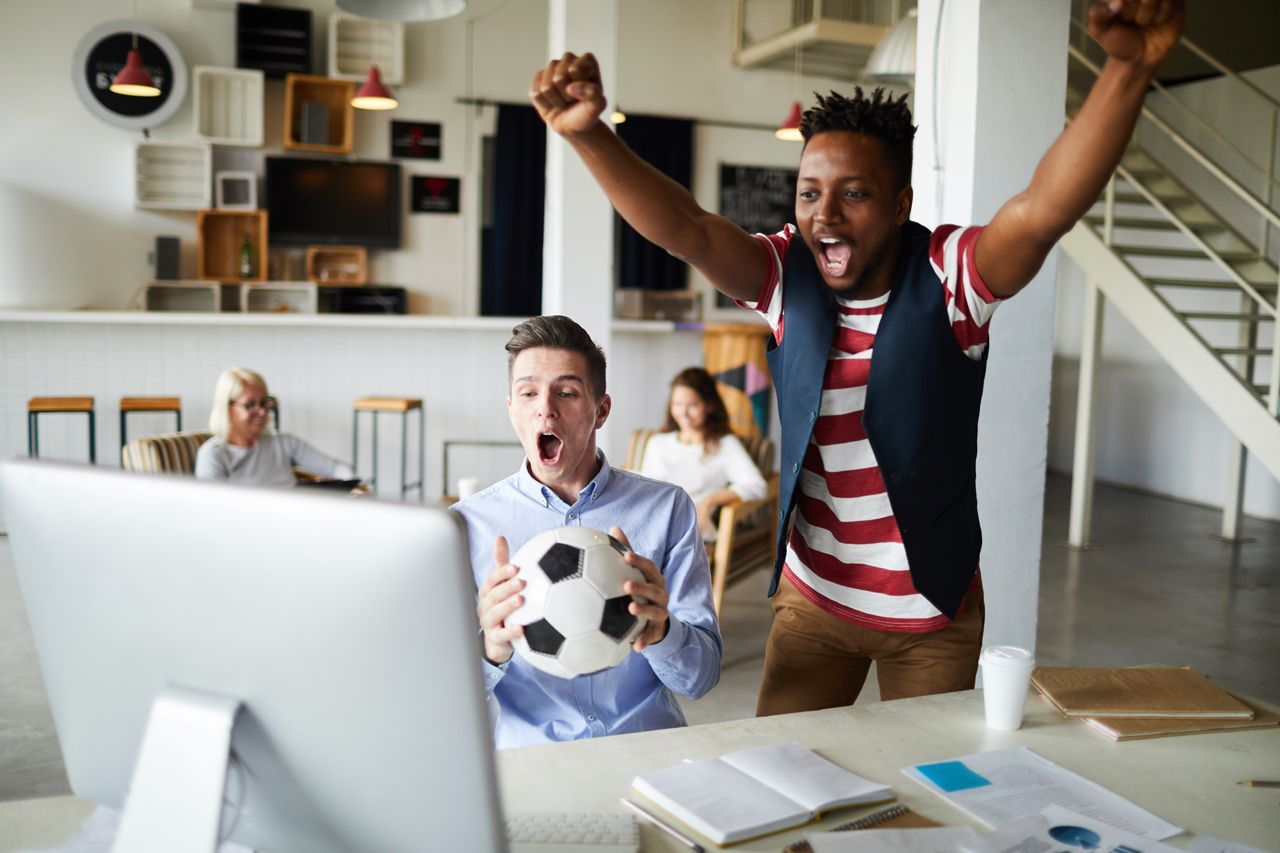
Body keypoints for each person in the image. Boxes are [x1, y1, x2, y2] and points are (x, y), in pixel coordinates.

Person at [528, 0, 1184, 715]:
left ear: (901, 203)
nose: (825, 215)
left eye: (855, 194)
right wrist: (590, 135)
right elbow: (686, 228)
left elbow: (1042, 210)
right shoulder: (785, 276)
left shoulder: (951, 276)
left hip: (931, 613)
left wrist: (1129, 66)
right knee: (785, 789)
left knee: (924, 808)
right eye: (810, 192)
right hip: (815, 603)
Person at [452, 315, 722, 748]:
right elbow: (443, 701)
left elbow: (701, 680)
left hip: (648, 749)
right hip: (532, 762)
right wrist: (490, 650)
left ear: (601, 410)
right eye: (528, 393)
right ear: (511, 408)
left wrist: (662, 632)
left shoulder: (666, 509)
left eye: (566, 392)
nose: (546, 408)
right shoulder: (467, 525)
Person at [639, 367, 766, 541]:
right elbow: (646, 487)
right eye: (677, 404)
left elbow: (757, 486)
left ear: (709, 405)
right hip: (652, 521)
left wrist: (710, 500)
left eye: (692, 405)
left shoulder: (725, 445)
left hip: (692, 530)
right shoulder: (658, 443)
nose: (683, 413)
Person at [195, 366, 355, 487]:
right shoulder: (213, 455)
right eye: (251, 405)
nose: (263, 412)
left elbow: (336, 468)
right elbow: (213, 510)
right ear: (227, 408)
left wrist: (350, 484)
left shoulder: (284, 443)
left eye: (264, 403)